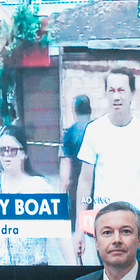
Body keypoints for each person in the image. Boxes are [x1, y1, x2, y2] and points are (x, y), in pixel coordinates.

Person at [73, 67, 140, 266]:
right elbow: (85, 183)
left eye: (121, 90)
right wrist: (79, 229)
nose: (116, 97)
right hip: (107, 230)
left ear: (132, 93)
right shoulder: (94, 131)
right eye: (111, 91)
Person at [0, 125, 78, 266]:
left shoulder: (40, 187)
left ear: (24, 154)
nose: (7, 155)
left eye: (13, 150)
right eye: (3, 151)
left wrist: (74, 268)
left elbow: (60, 233)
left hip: (34, 271)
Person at [59, 95, 91, 230]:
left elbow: (66, 167)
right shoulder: (98, 130)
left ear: (75, 111)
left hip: (76, 187)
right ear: (90, 110)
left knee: (78, 229)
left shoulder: (69, 133)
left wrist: (62, 190)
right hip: (97, 188)